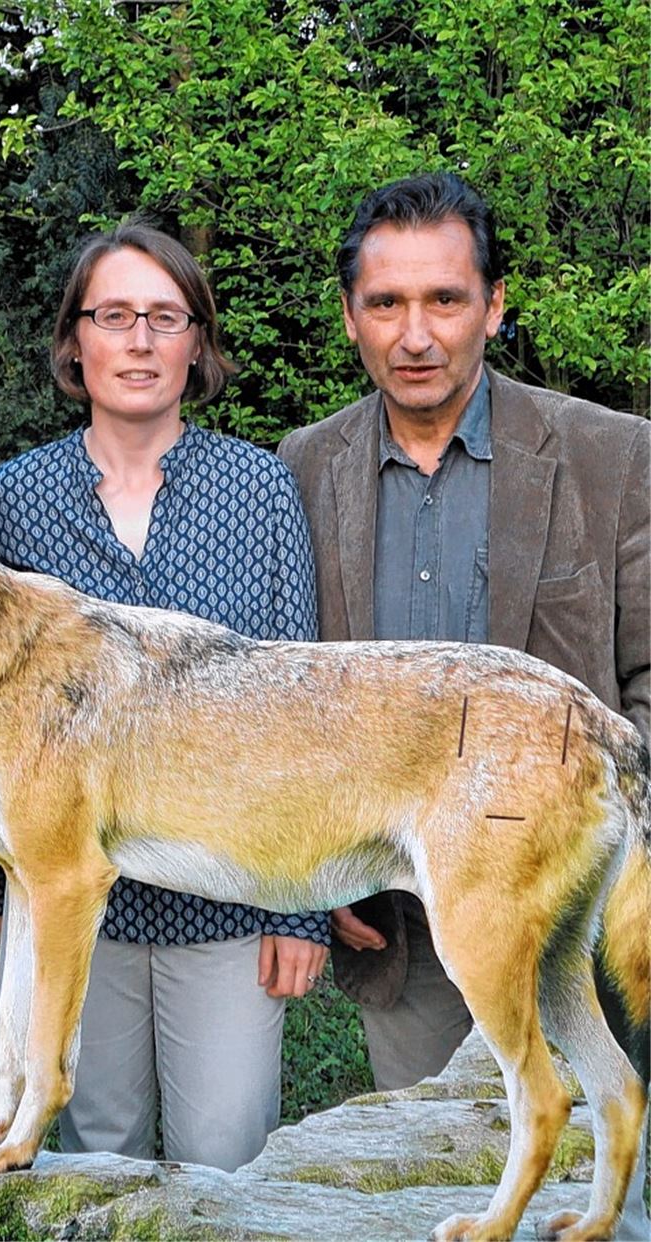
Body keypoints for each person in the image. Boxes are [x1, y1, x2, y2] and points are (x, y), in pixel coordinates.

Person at [278, 170, 649, 1229]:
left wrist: (601, 841)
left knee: (606, 1201)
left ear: (493, 304)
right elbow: (285, 696)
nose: (415, 333)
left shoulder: (612, 458)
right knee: (425, 1189)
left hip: (578, 899)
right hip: (395, 918)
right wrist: (317, 859)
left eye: (444, 299)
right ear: (350, 313)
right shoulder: (299, 472)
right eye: (385, 303)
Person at [0, 223, 329, 1171]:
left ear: (197, 344)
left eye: (164, 318)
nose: (138, 340)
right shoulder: (14, 501)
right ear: (73, 341)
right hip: (75, 916)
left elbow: (299, 702)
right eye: (114, 316)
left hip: (229, 900)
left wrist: (298, 910)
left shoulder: (260, 488)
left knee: (226, 1164)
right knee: (92, 1162)